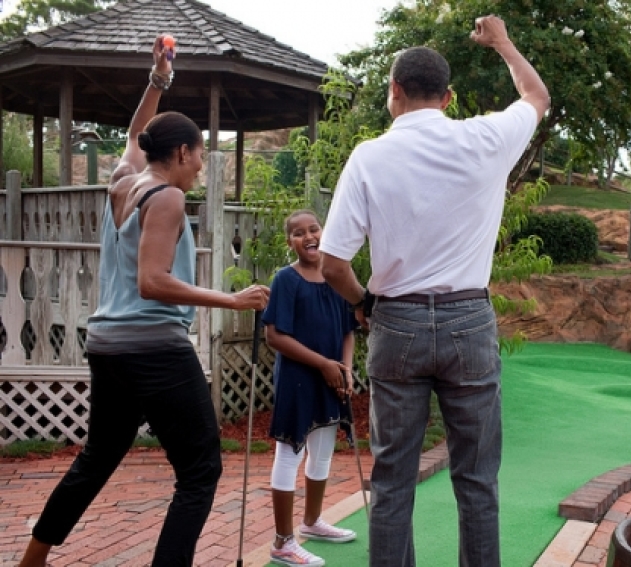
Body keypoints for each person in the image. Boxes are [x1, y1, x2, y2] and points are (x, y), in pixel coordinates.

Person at [17, 35, 270, 567]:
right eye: (200, 153)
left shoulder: (121, 183)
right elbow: (153, 282)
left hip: (108, 346)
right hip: (154, 348)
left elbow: (136, 134)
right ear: (181, 153)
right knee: (200, 472)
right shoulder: (169, 196)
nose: (202, 164)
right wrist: (232, 300)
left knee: (97, 458)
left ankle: (32, 559)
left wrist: (159, 79)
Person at [319, 14, 550, 567]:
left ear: (394, 92)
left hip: (395, 323)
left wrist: (364, 305)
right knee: (477, 481)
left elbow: (331, 263)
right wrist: (501, 41)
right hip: (469, 320)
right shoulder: (486, 138)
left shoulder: (369, 156)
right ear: (448, 97)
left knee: (393, 480)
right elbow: (536, 95)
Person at [263, 209, 359, 567]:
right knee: (290, 454)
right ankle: (282, 541)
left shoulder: (337, 275)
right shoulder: (285, 280)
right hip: (299, 378)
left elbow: (349, 329)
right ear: (290, 241)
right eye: (298, 233)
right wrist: (323, 364)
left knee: (322, 451)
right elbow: (275, 335)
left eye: (313, 229)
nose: (308, 236)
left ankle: (312, 522)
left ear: (324, 232)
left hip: (333, 375)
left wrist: (345, 368)